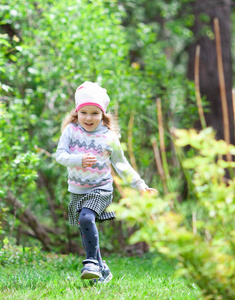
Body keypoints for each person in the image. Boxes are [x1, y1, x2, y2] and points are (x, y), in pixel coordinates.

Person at [55, 81, 157, 284]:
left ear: (103, 115)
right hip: (78, 190)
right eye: (84, 112)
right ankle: (103, 270)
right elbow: (60, 155)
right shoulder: (70, 131)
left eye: (95, 113)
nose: (89, 118)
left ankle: (91, 262)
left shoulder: (109, 137)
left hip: (101, 189)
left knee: (86, 219)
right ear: (77, 113)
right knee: (86, 227)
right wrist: (79, 160)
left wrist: (140, 185)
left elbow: (121, 164)